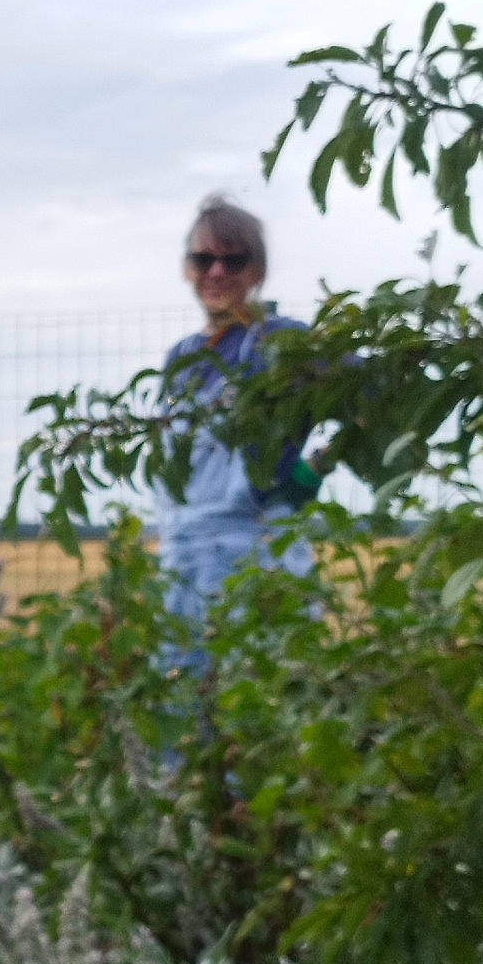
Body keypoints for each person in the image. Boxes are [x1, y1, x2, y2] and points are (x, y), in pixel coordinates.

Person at [157, 196, 321, 670]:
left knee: (263, 707)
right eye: (204, 260)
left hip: (257, 556)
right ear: (187, 269)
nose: (217, 272)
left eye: (234, 260)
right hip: (184, 561)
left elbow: (363, 399)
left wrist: (311, 473)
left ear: (258, 271)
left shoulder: (282, 343)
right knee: (184, 709)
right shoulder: (181, 359)